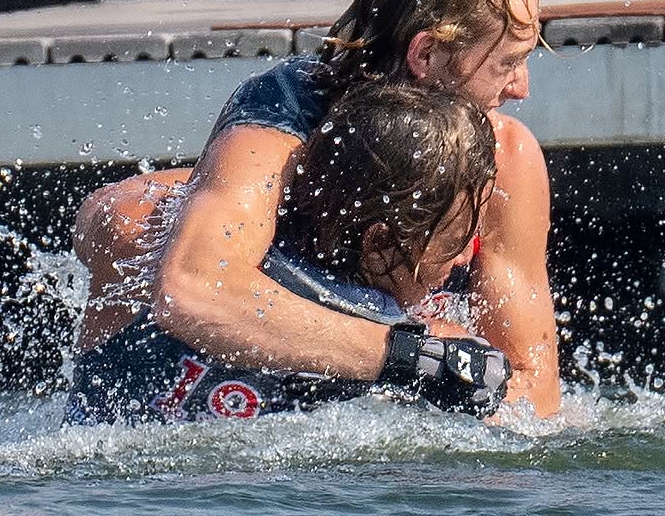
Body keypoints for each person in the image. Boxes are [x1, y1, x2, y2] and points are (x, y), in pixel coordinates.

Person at [74, 0, 561, 417]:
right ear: (428, 52)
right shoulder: (283, 120)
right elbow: (195, 290)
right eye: (507, 61)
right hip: (199, 394)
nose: (522, 89)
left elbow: (536, 395)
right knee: (125, 218)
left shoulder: (505, 157)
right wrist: (407, 353)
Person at [66, 84, 511, 425]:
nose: (463, 263)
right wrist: (407, 358)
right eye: (457, 242)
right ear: (378, 244)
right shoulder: (155, 240)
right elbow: (112, 215)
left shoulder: (427, 342)